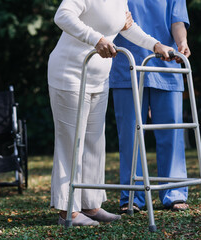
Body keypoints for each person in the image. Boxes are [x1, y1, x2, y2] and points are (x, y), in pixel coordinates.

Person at [48, 0, 174, 226]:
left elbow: (128, 28)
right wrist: (96, 39)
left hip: (98, 78)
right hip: (69, 74)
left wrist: (155, 45)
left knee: (94, 142)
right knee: (71, 143)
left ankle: (91, 205)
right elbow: (62, 16)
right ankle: (68, 210)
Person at [109, 0, 191, 213]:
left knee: (171, 132)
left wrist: (182, 42)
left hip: (166, 62)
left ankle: (174, 192)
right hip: (127, 64)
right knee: (130, 135)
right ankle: (132, 196)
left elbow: (177, 19)